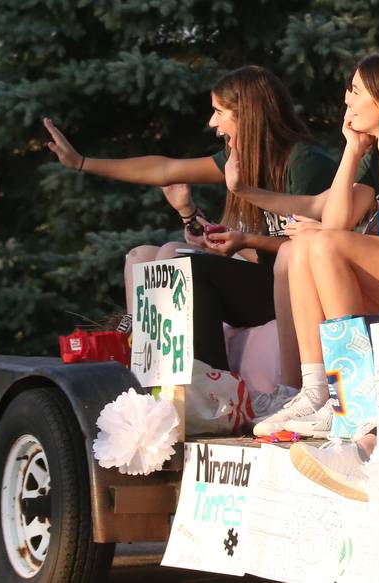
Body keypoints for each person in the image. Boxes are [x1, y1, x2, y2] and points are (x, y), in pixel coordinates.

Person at [44, 65, 337, 392]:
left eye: (218, 112)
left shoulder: (305, 162)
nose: (212, 122)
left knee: (184, 263)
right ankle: (154, 381)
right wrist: (82, 162)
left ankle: (213, 388)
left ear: (248, 114)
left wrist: (243, 241)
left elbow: (315, 245)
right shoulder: (238, 157)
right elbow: (166, 168)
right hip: (263, 280)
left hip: (294, 288)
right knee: (152, 256)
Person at [252, 52, 379, 439]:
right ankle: (317, 390)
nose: (347, 100)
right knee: (303, 247)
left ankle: (356, 394)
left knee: (323, 244)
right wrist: (353, 149)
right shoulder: (374, 147)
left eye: (356, 90)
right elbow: (336, 223)